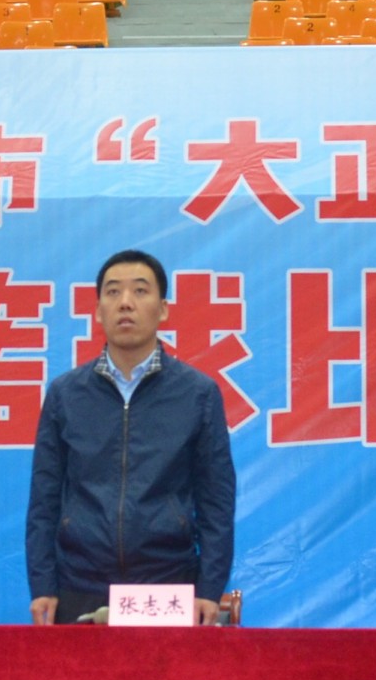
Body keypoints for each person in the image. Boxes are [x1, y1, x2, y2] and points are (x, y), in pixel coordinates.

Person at [27, 249, 235, 626]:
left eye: (140, 291)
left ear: (163, 309)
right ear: (97, 310)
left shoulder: (197, 394)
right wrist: (43, 584)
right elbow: (44, 498)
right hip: (80, 584)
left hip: (168, 584)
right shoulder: (65, 394)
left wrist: (209, 588)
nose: (125, 303)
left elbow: (216, 500)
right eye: (113, 292)